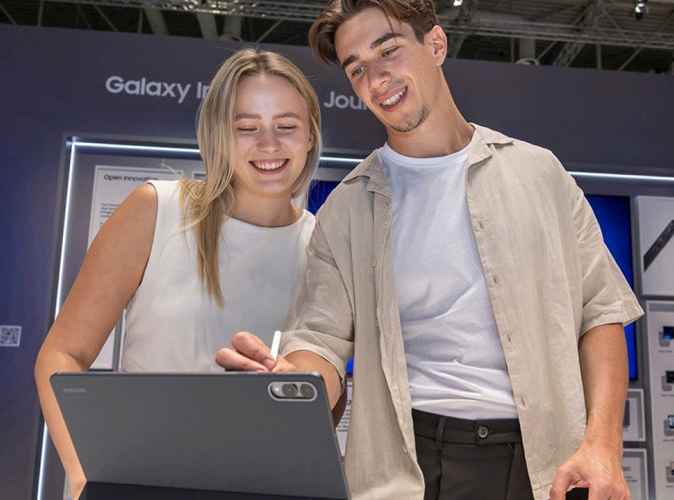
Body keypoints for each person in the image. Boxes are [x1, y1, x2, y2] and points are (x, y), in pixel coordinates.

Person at [215, 2, 644, 499]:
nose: (377, 80)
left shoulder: (539, 173)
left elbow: (600, 313)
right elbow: (321, 338)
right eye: (357, 69)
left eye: (388, 51)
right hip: (409, 468)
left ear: (436, 44)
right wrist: (299, 381)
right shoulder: (347, 207)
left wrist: (603, 444)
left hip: (547, 464)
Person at [34, 47, 322, 499]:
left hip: (263, 484)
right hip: (141, 479)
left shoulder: (322, 246)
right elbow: (61, 354)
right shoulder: (157, 209)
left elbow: (326, 395)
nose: (269, 144)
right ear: (218, 135)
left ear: (310, 137)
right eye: (246, 127)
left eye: (286, 126)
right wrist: (83, 472)